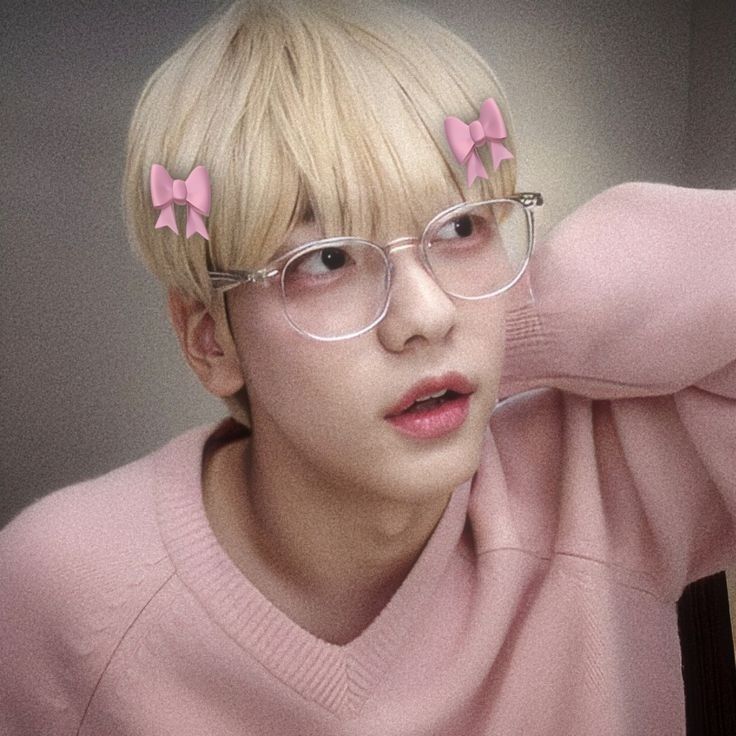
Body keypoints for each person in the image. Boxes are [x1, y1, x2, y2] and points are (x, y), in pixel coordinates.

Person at [1, 1, 734, 733]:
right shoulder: (63, 588)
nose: (427, 316)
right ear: (210, 341)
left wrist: (523, 322)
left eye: (461, 226)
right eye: (326, 260)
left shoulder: (610, 475)